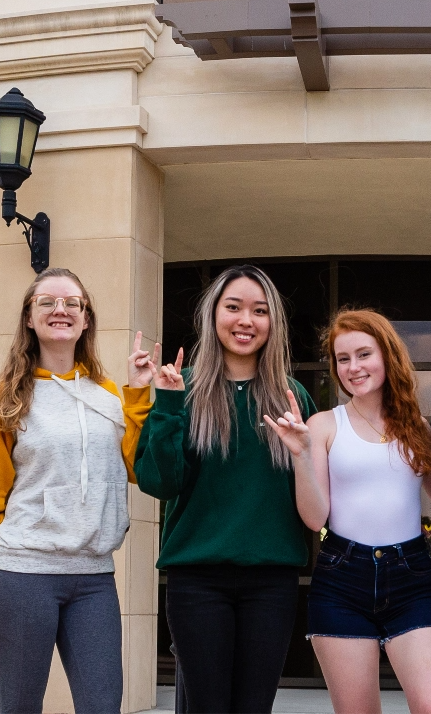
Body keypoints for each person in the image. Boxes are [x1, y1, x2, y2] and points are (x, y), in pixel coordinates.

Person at [0, 267, 162, 714]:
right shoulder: (9, 396)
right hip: (22, 574)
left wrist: (139, 395)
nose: (60, 310)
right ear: (29, 318)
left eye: (72, 303)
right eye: (46, 302)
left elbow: (137, 467)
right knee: (22, 707)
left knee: (103, 706)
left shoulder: (110, 396)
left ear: (86, 319)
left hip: (94, 577)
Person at [135, 264, 317, 714]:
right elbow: (160, 483)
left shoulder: (291, 397)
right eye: (233, 307)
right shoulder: (184, 388)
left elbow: (315, 495)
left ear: (272, 322)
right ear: (213, 315)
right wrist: (168, 406)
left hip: (271, 582)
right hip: (197, 581)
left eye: (259, 311)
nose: (245, 321)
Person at [264, 309, 431, 714]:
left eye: (363, 354)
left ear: (387, 355)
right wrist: (299, 455)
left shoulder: (418, 428)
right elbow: (315, 518)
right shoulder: (322, 426)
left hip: (412, 578)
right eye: (343, 358)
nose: (353, 367)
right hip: (341, 580)